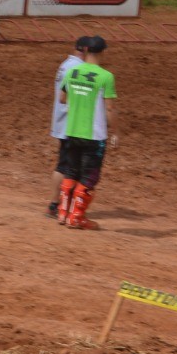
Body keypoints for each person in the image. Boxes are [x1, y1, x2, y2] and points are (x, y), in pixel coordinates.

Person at [56, 38, 116, 231]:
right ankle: (77, 217)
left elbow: (62, 98)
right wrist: (115, 132)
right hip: (94, 134)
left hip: (71, 130)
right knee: (89, 177)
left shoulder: (72, 71)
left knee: (71, 171)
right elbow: (109, 109)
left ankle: (63, 213)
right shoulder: (106, 76)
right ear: (102, 52)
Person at [47, 36, 95, 219]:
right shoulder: (76, 68)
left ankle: (60, 203)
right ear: (84, 50)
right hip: (70, 123)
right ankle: (55, 204)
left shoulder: (66, 64)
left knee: (66, 163)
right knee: (65, 165)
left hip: (63, 121)